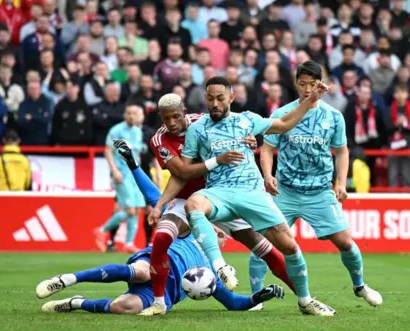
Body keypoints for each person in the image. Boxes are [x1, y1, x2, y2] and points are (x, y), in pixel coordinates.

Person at [152, 73, 335, 316]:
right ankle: (219, 267)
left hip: (252, 193)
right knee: (193, 204)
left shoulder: (247, 120)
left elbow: (284, 124)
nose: (215, 104)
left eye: (220, 98)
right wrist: (161, 203)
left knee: (288, 246)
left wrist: (310, 99)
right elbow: (182, 172)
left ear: (231, 97)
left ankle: (306, 300)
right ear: (205, 99)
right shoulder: (197, 130)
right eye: (210, 98)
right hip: (217, 193)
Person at [111, 98, 297, 313]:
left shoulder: (204, 122)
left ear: (184, 111)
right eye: (166, 118)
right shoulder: (159, 139)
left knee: (265, 249)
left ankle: (304, 296)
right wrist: (160, 204)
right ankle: (159, 303)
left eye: (176, 116)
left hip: (221, 195)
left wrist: (248, 140)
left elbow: (238, 129)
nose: (171, 122)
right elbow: (181, 173)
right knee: (161, 237)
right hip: (186, 200)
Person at [260, 61, 382, 307]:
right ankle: (256, 297)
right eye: (302, 83)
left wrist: (341, 183)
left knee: (346, 242)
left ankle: (360, 286)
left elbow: (342, 151)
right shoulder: (281, 114)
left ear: (321, 84)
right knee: (263, 242)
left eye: (312, 84)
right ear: (295, 83)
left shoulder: (333, 116)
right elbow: (267, 148)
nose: (307, 89)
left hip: (320, 192)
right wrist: (267, 174)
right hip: (285, 192)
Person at [35, 236, 285, 315]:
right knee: (142, 271)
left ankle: (75, 302)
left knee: (126, 307)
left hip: (165, 292)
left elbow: (232, 303)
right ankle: (68, 278)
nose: (220, 235)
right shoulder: (188, 227)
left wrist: (260, 296)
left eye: (223, 235)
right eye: (218, 229)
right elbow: (156, 197)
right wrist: (134, 165)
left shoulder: (211, 272)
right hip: (158, 261)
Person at [94, 104, 146, 253]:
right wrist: (114, 170)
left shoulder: (137, 132)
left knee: (136, 209)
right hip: (121, 174)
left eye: (134, 113)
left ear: (138, 116)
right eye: (128, 113)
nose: (131, 116)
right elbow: (108, 151)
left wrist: (139, 173)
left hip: (134, 173)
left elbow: (136, 154)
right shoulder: (116, 130)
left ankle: (129, 243)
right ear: (124, 115)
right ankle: (102, 230)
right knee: (129, 210)